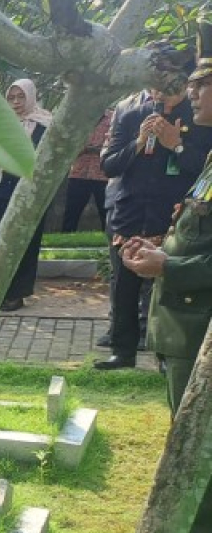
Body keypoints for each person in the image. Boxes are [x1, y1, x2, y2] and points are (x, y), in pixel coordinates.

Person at [120, 22, 212, 533]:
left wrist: (169, 268)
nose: (195, 96)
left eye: (206, 87)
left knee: (198, 447)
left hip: (196, 325)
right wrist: (161, 247)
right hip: (183, 326)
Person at [96, 67, 212, 370]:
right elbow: (108, 165)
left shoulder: (199, 111)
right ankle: (123, 349)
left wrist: (176, 143)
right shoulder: (129, 109)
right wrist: (138, 141)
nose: (160, 91)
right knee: (123, 284)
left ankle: (165, 352)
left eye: (170, 80)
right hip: (131, 209)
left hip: (174, 211)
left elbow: (204, 170)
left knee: (166, 285)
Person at [0, 79, 53, 312]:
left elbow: (50, 164)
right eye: (12, 97)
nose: (16, 102)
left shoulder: (45, 126)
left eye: (21, 97)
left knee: (23, 246)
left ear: (31, 97)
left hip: (26, 195)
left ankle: (16, 293)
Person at [61, 109, 111, 233]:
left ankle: (109, 244)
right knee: (71, 213)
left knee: (106, 213)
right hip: (79, 173)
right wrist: (87, 148)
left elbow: (115, 143)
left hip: (103, 174)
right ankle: (65, 240)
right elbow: (68, 143)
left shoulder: (113, 117)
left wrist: (95, 149)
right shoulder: (79, 118)